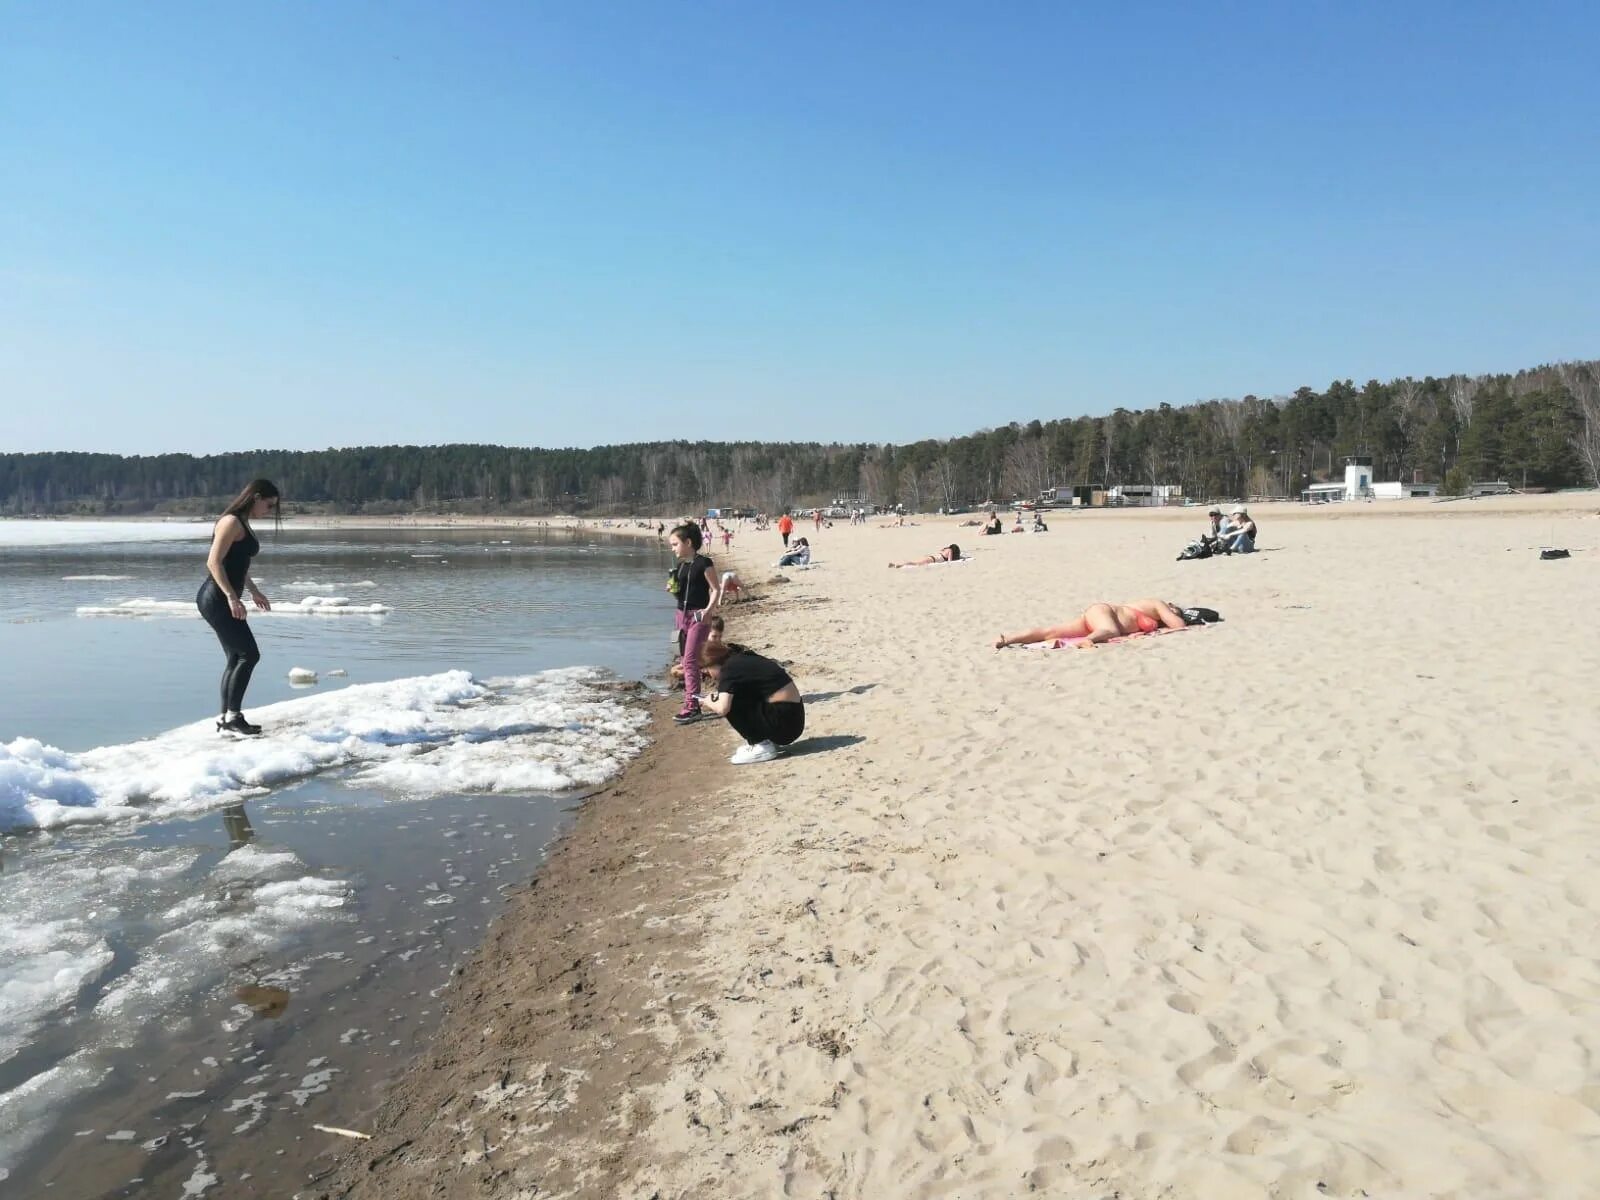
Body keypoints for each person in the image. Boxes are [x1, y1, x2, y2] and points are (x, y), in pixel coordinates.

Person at [197, 479, 280, 735]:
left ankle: (227, 717)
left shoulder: (242, 523)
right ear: (255, 497)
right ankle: (233, 717)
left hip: (224, 596)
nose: (268, 510)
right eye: (268, 504)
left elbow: (237, 563)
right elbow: (214, 563)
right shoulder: (231, 522)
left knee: (236, 656)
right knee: (248, 655)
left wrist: (253, 591)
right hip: (215, 598)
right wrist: (232, 597)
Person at [694, 641, 804, 764]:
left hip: (785, 725)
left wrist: (707, 701)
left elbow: (722, 708)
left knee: (731, 701)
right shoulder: (740, 658)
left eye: (707, 671)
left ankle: (761, 746)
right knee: (733, 694)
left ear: (713, 663)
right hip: (792, 717)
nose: (711, 676)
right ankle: (764, 741)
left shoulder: (729, 670)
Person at [668, 523, 722, 724]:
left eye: (675, 544)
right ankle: (692, 702)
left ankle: (692, 707)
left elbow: (716, 589)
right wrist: (672, 590)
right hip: (681, 615)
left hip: (699, 617)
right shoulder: (681, 566)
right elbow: (680, 594)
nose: (672, 548)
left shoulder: (704, 563)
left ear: (688, 542)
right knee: (685, 660)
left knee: (690, 660)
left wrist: (707, 611)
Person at [994, 598, 1188, 649]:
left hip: (1096, 618)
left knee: (1051, 632)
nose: (1169, 615)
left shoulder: (1155, 617)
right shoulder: (1157, 603)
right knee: (1110, 630)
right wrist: (1175, 614)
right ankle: (1088, 640)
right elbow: (1179, 624)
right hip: (1105, 613)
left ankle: (1008, 639)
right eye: (1173, 610)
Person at [889, 543, 961, 568]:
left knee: (916, 563)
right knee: (915, 564)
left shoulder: (946, 549)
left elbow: (941, 552)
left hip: (931, 557)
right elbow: (950, 561)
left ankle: (897, 565)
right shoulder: (950, 550)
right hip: (932, 560)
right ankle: (899, 565)